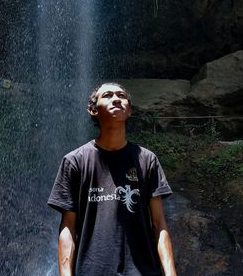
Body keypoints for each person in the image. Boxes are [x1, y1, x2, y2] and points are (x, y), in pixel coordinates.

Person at [47, 82, 177, 276]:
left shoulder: (147, 159)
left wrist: (170, 273)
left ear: (130, 110)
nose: (116, 99)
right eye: (107, 95)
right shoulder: (75, 162)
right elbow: (68, 227)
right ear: (92, 109)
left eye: (121, 95)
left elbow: (159, 223)